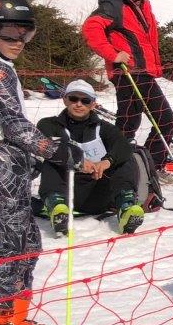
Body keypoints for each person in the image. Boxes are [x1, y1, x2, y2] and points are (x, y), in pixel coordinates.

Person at [0, 0, 83, 325]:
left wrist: (32, 154)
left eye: (26, 32)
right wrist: (57, 151)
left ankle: (3, 319)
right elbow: (16, 127)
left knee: (23, 240)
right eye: (9, 32)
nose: (19, 40)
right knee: (16, 243)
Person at [81, 0, 173, 173]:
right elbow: (91, 28)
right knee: (163, 121)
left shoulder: (144, 6)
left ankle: (120, 166)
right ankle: (145, 169)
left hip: (142, 73)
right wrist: (113, 54)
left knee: (129, 123)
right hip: (128, 72)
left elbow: (146, 41)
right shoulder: (115, 4)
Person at [36, 79, 144, 235]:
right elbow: (46, 146)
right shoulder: (49, 124)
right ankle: (58, 211)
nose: (79, 104)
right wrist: (78, 162)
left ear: (93, 104)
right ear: (65, 100)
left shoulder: (105, 128)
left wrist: (107, 162)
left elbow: (123, 146)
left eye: (85, 100)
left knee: (126, 157)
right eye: (73, 98)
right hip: (66, 191)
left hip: (98, 190)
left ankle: (126, 206)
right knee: (51, 158)